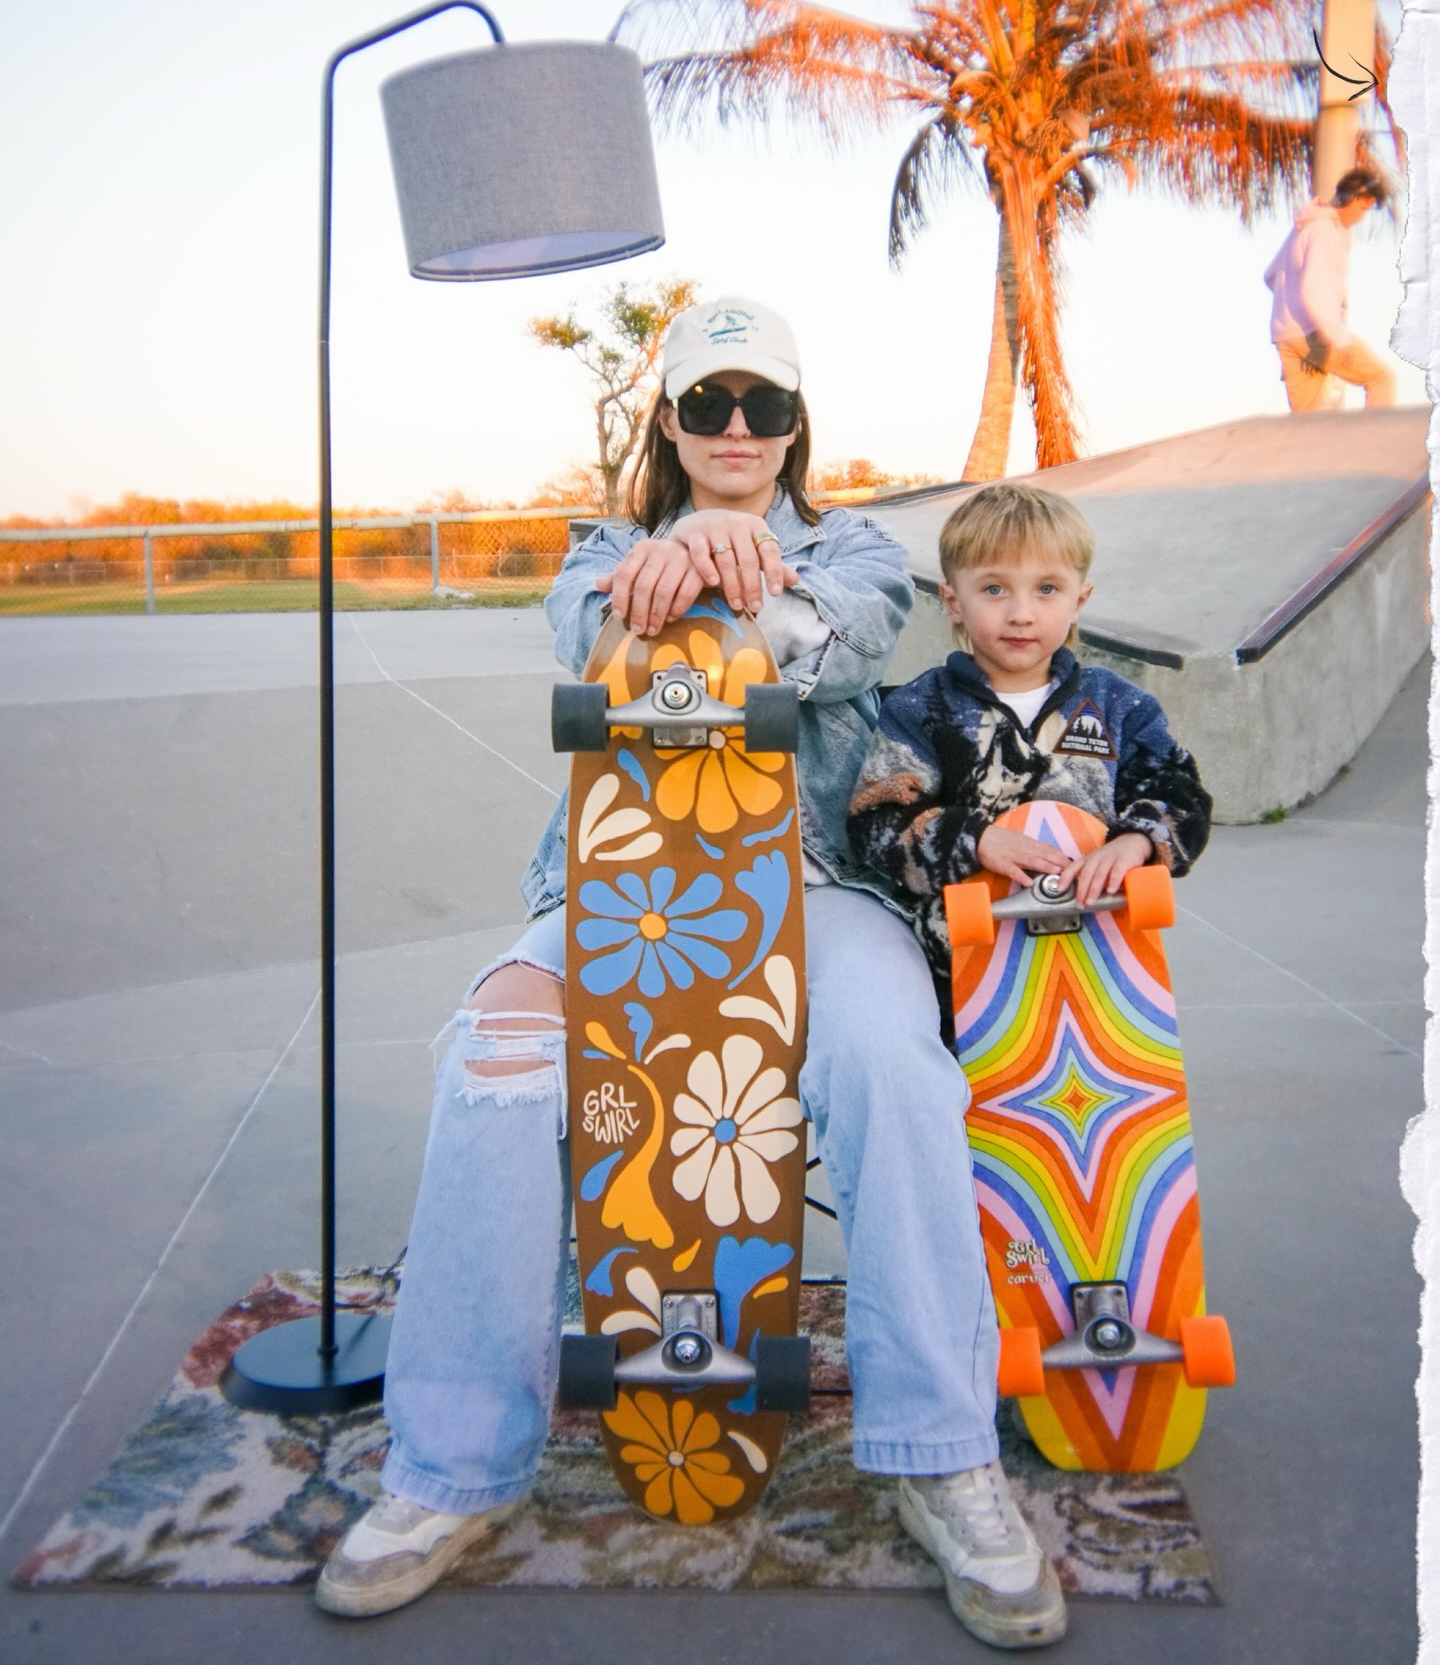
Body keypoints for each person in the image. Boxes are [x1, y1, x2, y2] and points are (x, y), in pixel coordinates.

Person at [316, 298, 1068, 1651]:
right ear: (668, 418)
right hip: (626, 896)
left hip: (813, 887)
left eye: (761, 404)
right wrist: (673, 552)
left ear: (793, 423)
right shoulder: (599, 548)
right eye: (708, 401)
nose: (735, 427)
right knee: (496, 1059)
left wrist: (741, 576)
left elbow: (845, 643)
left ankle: (940, 1454)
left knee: (893, 1067)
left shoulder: (855, 546)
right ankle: (449, 1470)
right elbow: (590, 640)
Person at [846, 482, 1211, 1006]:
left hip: (1103, 961)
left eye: (1047, 589)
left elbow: (1181, 792)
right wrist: (975, 840)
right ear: (952, 601)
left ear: (1079, 600)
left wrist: (1137, 841)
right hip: (964, 970)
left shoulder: (1117, 705)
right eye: (995, 589)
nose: (1021, 613)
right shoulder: (922, 709)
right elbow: (876, 821)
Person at [1263, 164, 1397, 413]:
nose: (1361, 217)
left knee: (1308, 422)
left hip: (1286, 336)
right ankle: (1374, 440)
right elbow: (1314, 288)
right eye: (1362, 208)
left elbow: (1271, 275)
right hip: (1314, 334)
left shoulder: (1304, 226)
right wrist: (1337, 334)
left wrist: (1289, 306)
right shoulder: (1326, 230)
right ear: (1350, 198)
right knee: (1380, 379)